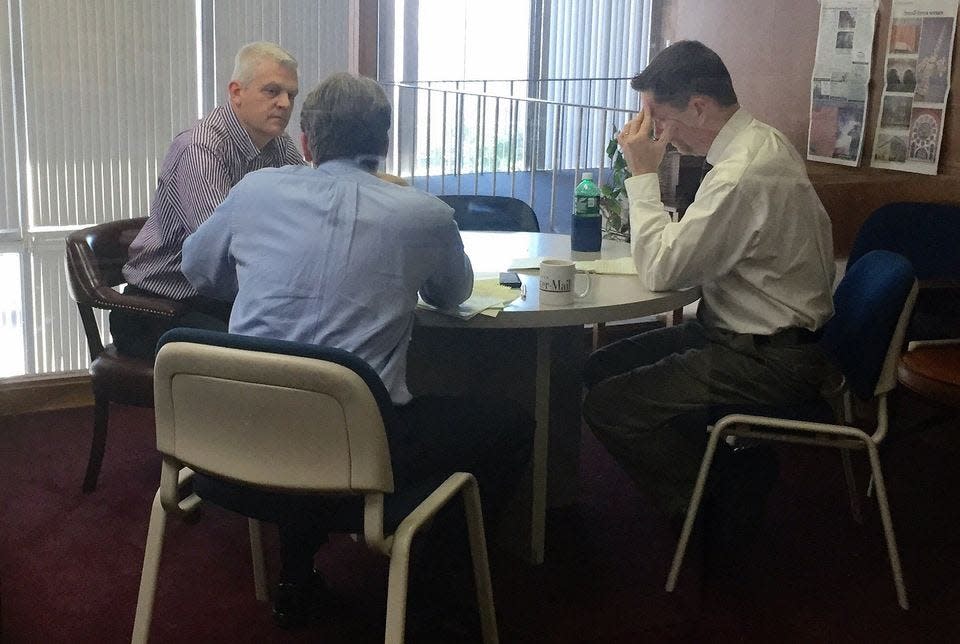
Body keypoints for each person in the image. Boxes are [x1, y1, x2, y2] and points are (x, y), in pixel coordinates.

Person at [181, 72, 533, 631]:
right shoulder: (424, 213)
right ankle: (435, 584)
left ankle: (296, 578)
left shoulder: (254, 191)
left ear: (306, 143)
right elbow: (453, 293)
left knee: (301, 386)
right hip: (355, 455)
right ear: (385, 144)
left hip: (233, 444)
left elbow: (197, 268)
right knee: (510, 425)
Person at [582, 41, 836, 556]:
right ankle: (720, 469)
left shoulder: (742, 173)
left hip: (768, 357)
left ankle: (707, 506)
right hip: (751, 334)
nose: (659, 136)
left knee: (607, 404)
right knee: (597, 368)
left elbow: (661, 271)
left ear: (699, 106)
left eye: (661, 119)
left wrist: (644, 177)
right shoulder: (763, 143)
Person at [111, 41, 305, 359]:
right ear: (236, 93)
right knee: (264, 355)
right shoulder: (200, 148)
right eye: (272, 91)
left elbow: (311, 212)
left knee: (304, 337)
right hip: (157, 309)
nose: (284, 103)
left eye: (291, 94)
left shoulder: (279, 147)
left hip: (220, 302)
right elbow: (221, 250)